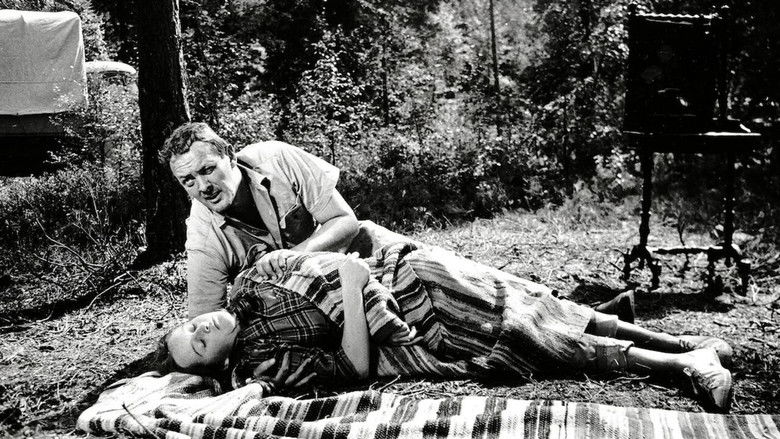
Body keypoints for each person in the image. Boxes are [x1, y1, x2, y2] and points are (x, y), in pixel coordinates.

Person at [154, 243, 735, 413]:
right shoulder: (262, 360)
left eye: (190, 324)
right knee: (526, 332)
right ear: (217, 362)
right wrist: (355, 291)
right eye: (199, 342)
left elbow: (323, 262)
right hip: (412, 326)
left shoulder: (252, 280)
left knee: (531, 299)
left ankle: (686, 343)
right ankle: (685, 364)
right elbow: (353, 368)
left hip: (408, 273)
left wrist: (358, 276)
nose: (201, 324)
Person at [160, 122, 360, 317]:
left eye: (208, 170)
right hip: (284, 307)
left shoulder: (278, 159)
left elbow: (345, 221)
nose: (203, 187)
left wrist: (292, 256)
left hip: (332, 261)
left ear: (230, 156)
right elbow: (202, 320)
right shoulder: (202, 235)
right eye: (188, 180)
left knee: (373, 235)